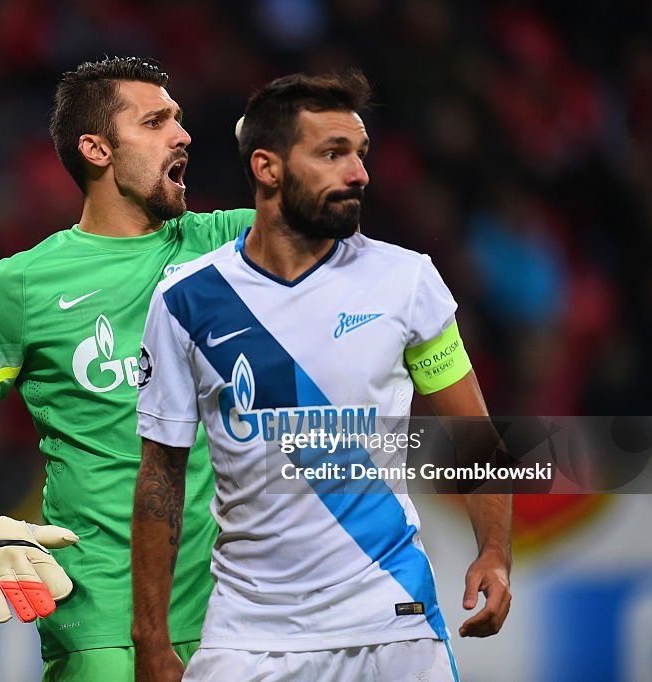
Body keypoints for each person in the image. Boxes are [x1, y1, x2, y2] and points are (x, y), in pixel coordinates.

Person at [131, 72, 512, 682]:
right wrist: (150, 638)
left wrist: (495, 552)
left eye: (360, 155)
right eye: (333, 153)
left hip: (395, 622)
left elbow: (475, 434)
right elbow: (160, 475)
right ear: (268, 167)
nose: (358, 173)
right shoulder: (186, 300)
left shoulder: (406, 281)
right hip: (248, 636)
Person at [0, 56, 254, 681]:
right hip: (103, 621)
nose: (182, 134)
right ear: (96, 149)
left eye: (179, 119)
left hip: (244, 613)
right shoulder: (23, 286)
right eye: (156, 121)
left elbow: (335, 221)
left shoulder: (229, 244)